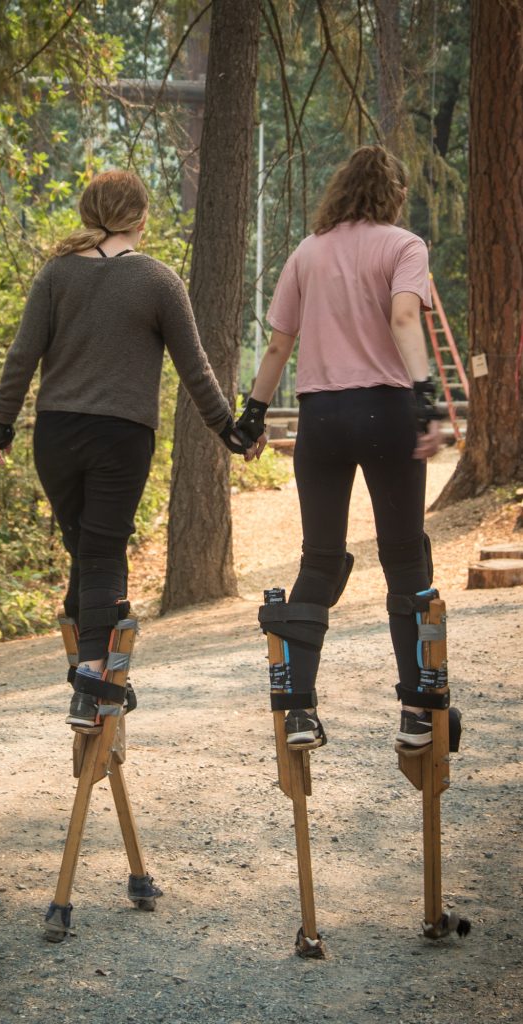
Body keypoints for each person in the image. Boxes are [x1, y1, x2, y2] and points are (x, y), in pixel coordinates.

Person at [0, 170, 251, 726]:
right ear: (141, 218)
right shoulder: (158, 280)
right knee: (102, 552)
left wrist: (0, 425)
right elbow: (195, 369)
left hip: (56, 435)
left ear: (88, 213)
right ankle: (91, 685)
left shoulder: (56, 274)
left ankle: (90, 662)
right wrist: (228, 430)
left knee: (87, 549)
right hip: (121, 436)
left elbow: (21, 356)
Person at [236, 145, 442, 750]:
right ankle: (416, 713)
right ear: (393, 195)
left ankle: (299, 710)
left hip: (321, 416)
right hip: (387, 411)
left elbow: (277, 348)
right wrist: (427, 401)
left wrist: (251, 418)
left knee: (319, 558)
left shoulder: (307, 252)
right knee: (405, 557)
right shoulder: (404, 246)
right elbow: (405, 319)